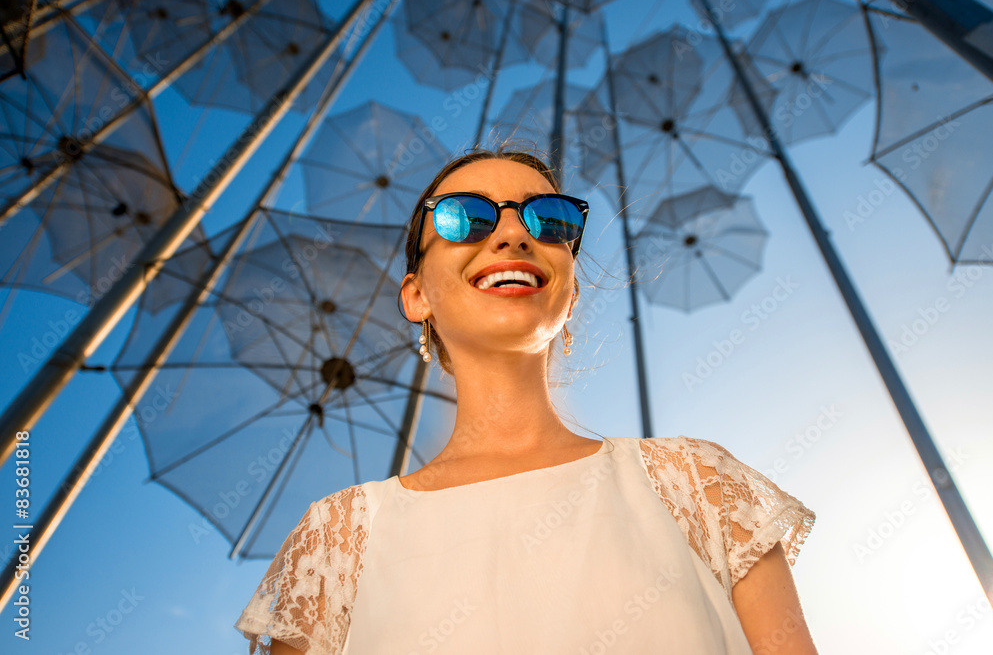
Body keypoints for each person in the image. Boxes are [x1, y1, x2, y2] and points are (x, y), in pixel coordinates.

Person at [234, 147, 819, 654]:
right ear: (416, 296)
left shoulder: (701, 486)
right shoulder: (337, 539)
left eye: (550, 220)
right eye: (466, 218)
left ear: (570, 293)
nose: (514, 234)